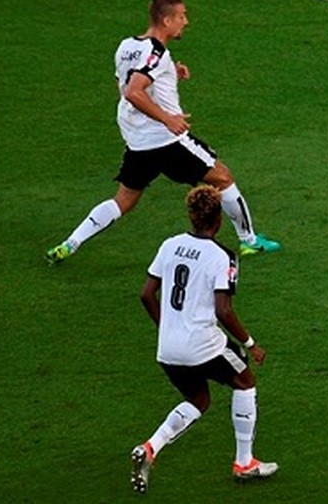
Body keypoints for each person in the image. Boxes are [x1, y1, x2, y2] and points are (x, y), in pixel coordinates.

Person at [46, 0, 280, 263]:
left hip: (137, 140)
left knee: (124, 200)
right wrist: (167, 119)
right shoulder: (157, 53)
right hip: (166, 139)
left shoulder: (127, 46)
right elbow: (135, 92)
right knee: (223, 178)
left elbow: (125, 85)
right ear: (167, 20)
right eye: (181, 16)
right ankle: (249, 241)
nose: (186, 22)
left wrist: (169, 72)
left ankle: (70, 244)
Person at [130, 184, 278, 493]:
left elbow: (146, 294)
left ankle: (150, 447)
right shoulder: (222, 256)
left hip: (168, 349)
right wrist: (252, 345)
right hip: (203, 345)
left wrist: (167, 326)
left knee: (198, 401)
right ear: (218, 219)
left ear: (192, 215)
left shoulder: (170, 245)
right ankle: (244, 462)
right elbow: (224, 311)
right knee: (245, 381)